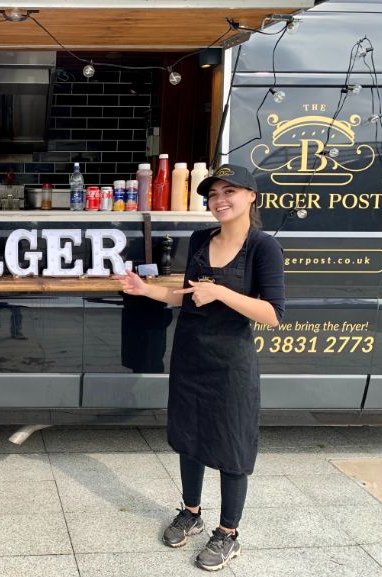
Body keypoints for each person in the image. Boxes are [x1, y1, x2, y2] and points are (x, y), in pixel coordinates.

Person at [116, 164, 285, 571]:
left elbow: (272, 314)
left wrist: (222, 292)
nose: (219, 200)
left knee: (231, 444)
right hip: (190, 355)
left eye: (229, 191)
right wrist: (146, 290)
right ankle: (191, 511)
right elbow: (189, 297)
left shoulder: (263, 246)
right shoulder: (199, 239)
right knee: (188, 436)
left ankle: (228, 534)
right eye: (213, 194)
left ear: (251, 197)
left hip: (231, 363)